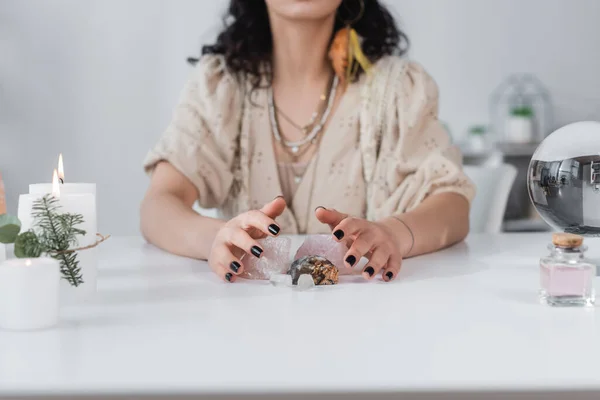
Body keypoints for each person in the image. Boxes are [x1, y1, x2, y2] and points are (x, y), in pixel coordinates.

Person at [141, 0, 475, 283]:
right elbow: (159, 204)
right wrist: (216, 239)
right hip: (247, 326)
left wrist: (394, 234)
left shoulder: (399, 90)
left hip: (372, 322)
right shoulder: (220, 86)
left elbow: (452, 202)